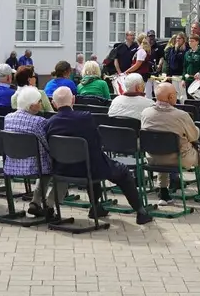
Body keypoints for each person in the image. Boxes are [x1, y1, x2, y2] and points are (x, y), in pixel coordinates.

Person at [44, 87, 153, 225]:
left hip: (62, 170)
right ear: (73, 99)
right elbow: (97, 142)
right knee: (122, 171)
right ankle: (141, 212)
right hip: (90, 168)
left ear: (53, 103)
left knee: (91, 163)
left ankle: (96, 207)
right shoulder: (85, 117)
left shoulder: (49, 123)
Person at [142, 81, 200, 210]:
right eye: (175, 94)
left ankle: (163, 194)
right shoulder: (181, 115)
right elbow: (194, 136)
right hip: (178, 158)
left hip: (153, 158)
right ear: (170, 98)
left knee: (161, 147)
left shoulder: (146, 113)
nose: (176, 95)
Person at [3, 86, 60, 219]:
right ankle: (48, 205)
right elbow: (47, 145)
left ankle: (36, 203)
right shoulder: (39, 121)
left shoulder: (8, 118)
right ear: (31, 105)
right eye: (39, 102)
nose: (41, 104)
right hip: (33, 165)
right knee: (57, 167)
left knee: (45, 165)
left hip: (11, 164)